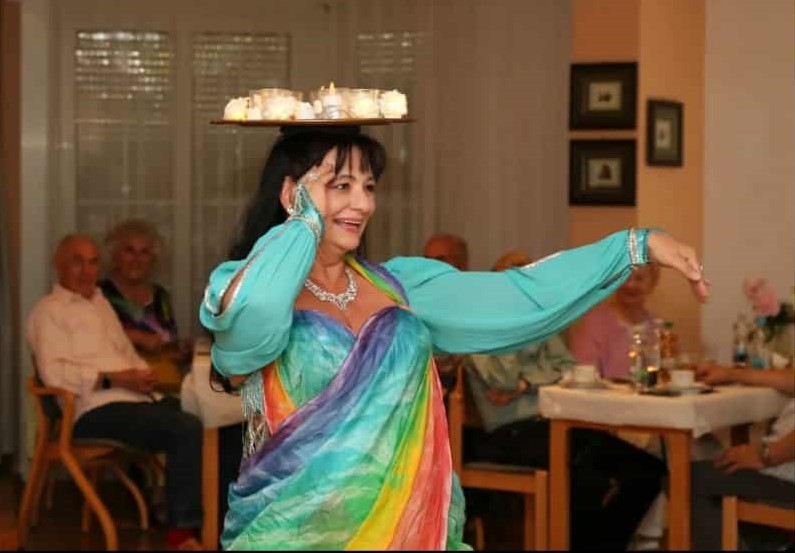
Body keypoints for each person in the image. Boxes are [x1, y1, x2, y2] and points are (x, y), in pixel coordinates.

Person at [198, 125, 709, 550]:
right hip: (295, 534)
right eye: (341, 185)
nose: (363, 203)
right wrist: (303, 221)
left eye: (369, 186)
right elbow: (255, 320)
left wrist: (635, 246)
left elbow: (520, 295)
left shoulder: (403, 288)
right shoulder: (241, 289)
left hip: (412, 531)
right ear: (293, 193)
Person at [466, 250, 666, 550]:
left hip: (550, 424)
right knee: (586, 471)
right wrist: (514, 332)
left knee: (647, 469)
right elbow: (503, 380)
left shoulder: (538, 322)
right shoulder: (480, 327)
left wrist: (527, 382)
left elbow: (569, 368)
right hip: (508, 433)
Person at [27, 234, 204, 551]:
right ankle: (182, 534)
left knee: (210, 418)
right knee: (185, 428)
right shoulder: (47, 311)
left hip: (135, 399)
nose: (87, 271)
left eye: (93, 262)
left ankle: (218, 518)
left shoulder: (100, 302)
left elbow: (126, 353)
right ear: (59, 265)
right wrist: (114, 380)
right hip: (91, 409)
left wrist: (142, 375)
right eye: (77, 261)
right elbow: (55, 375)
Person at [690, 364, 795, 550]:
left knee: (687, 480)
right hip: (783, 466)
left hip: (786, 473)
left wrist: (766, 455)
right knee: (712, 465)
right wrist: (732, 374)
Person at [100, 219, 191, 368]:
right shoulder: (99, 294)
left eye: (144, 252)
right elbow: (88, 339)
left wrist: (180, 350)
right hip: (117, 378)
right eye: (129, 251)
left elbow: (168, 343)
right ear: (115, 257)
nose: (137, 259)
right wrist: (137, 337)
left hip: (161, 376)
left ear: (153, 260)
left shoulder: (160, 296)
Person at [568, 262, 661, 381]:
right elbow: (585, 374)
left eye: (639, 279)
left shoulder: (658, 327)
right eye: (625, 278)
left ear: (652, 283)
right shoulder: (595, 322)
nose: (631, 285)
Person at [422, 233, 471, 399]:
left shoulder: (473, 301)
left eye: (439, 260)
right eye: (426, 260)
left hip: (462, 392)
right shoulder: (415, 299)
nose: (430, 267)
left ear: (462, 265)